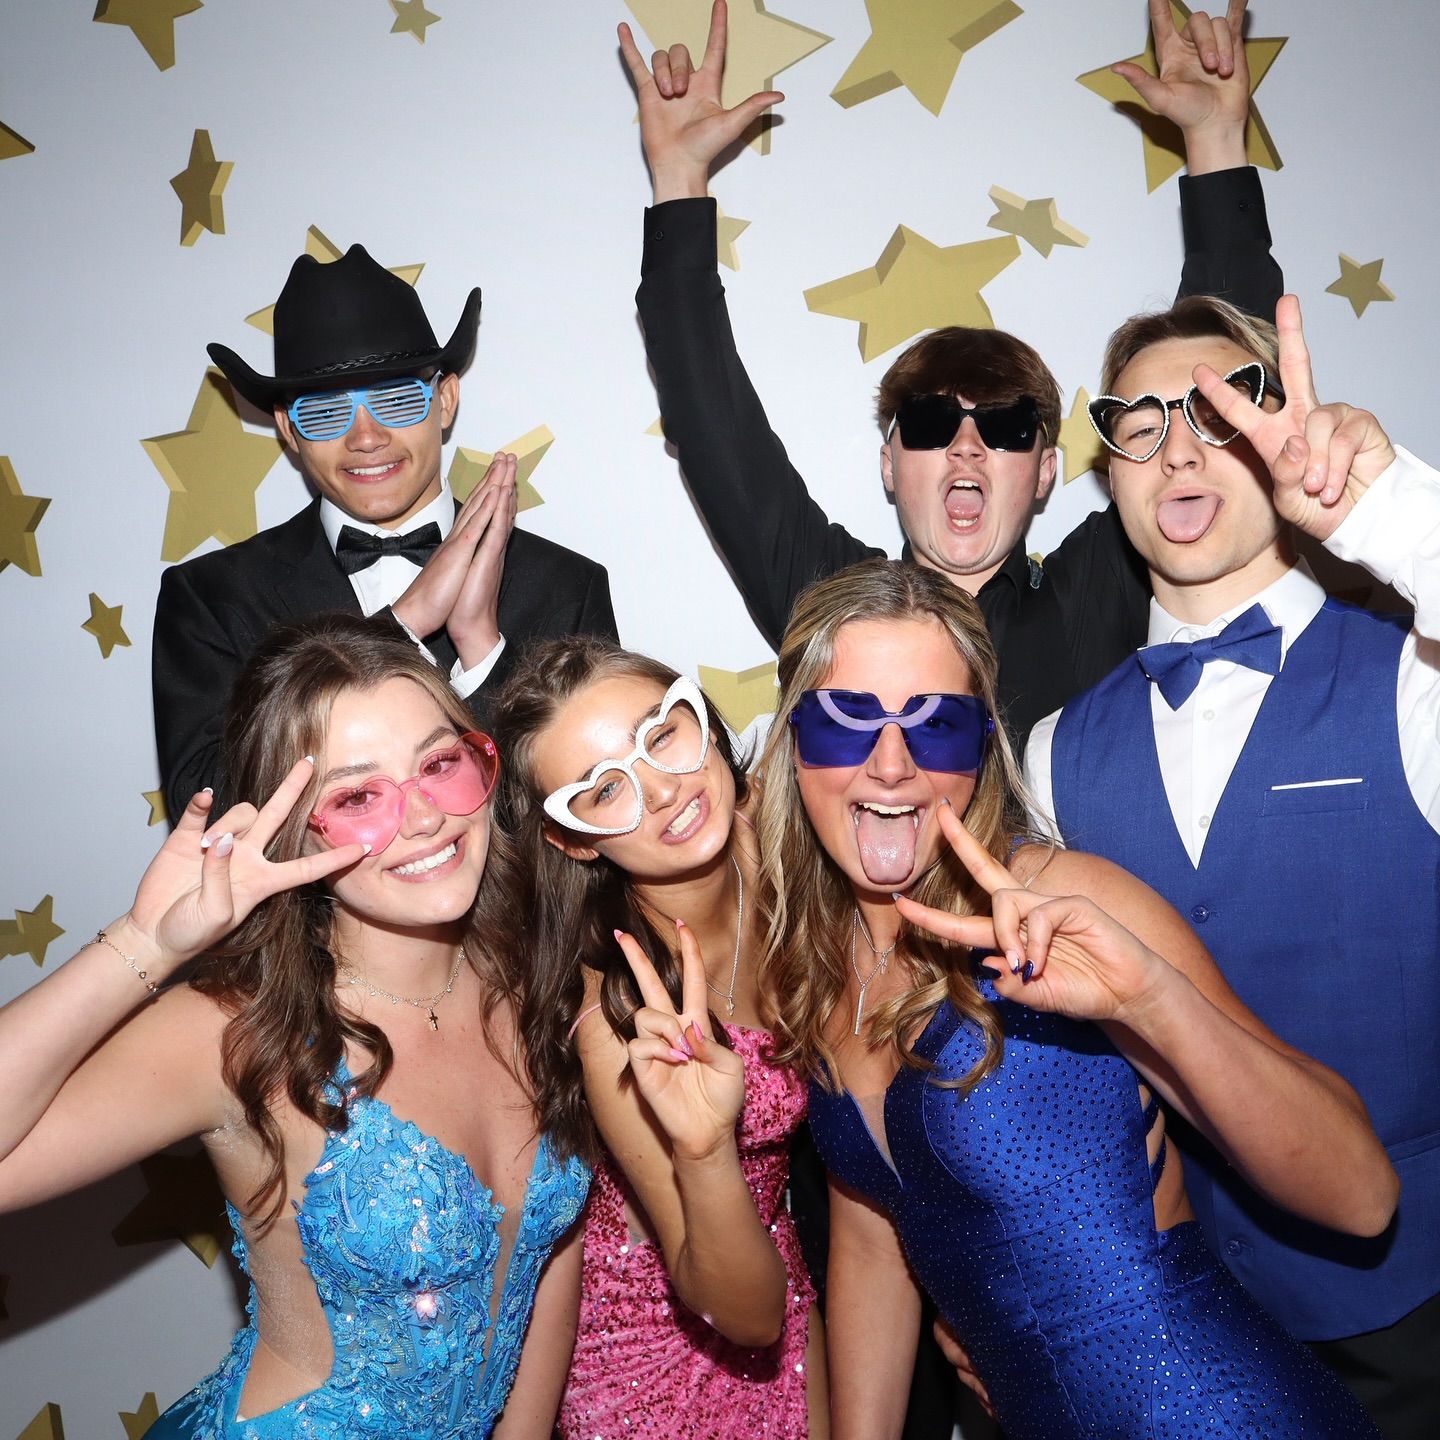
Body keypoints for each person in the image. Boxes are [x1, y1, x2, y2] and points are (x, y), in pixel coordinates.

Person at [752, 557, 1395, 1440]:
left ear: (982, 745)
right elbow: (873, 1236)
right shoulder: (814, 963)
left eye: (937, 727)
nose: (892, 763)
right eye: (847, 721)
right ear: (794, 743)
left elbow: (1361, 1196)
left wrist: (1147, 1000)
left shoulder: (1066, 900)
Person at [623, 0, 1280, 747]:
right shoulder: (833, 602)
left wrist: (1216, 139)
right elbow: (715, 427)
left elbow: (1229, 374)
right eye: (934, 424)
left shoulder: (1094, 594)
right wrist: (678, 177)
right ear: (889, 463)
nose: (968, 447)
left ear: (1044, 471)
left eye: (1004, 427)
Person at [0, 616, 590, 1437]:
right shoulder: (242, 1031)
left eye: (438, 764)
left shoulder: (540, 978)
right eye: (357, 796)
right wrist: (144, 943)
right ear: (287, 832)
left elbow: (544, 1259)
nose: (421, 818)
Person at [1024, 295, 1440, 1438]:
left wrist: (1387, 510)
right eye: (1141, 423)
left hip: (1422, 1310)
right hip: (1197, 1321)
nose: (1182, 449)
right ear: (1108, 475)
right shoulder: (1057, 752)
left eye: (1222, 409)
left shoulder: (1413, 679)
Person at [153, 245, 618, 821]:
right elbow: (209, 810)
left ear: (445, 400)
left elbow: (594, 806)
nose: (365, 436)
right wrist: (399, 632)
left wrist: (483, 654)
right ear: (288, 430)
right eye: (325, 412)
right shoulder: (211, 599)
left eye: (395, 399)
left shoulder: (567, 587)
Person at [490, 638, 823, 1438]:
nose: (665, 790)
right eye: (605, 791)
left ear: (696, 711)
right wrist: (705, 1149)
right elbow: (745, 1316)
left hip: (791, 1275)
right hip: (652, 1341)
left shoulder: (791, 845)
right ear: (572, 840)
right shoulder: (611, 1009)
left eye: (662, 734)